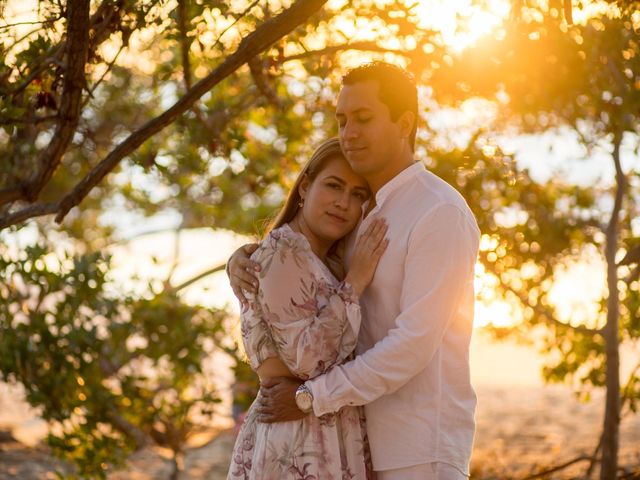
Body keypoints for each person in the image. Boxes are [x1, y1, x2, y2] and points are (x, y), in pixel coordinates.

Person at [228, 62, 480, 480]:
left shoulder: (439, 212)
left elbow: (412, 343)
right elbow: (308, 278)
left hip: (417, 449)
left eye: (363, 119)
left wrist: (311, 397)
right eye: (342, 120)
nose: (349, 133)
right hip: (352, 444)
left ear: (404, 123)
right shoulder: (361, 213)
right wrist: (243, 257)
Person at [227, 137, 388, 480]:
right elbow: (307, 361)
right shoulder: (281, 254)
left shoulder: (324, 260)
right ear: (304, 186)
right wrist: (356, 280)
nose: (344, 203)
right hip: (296, 442)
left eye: (358, 194)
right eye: (334, 186)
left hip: (327, 432)